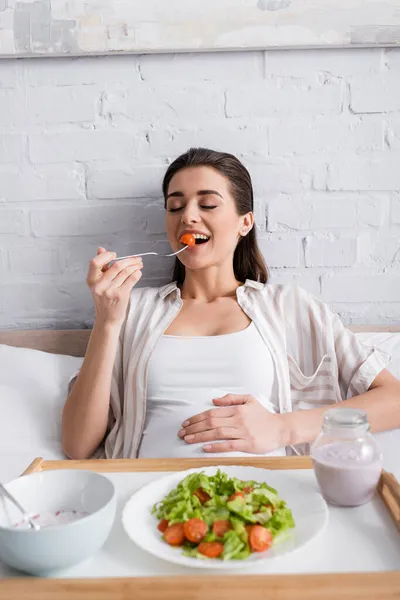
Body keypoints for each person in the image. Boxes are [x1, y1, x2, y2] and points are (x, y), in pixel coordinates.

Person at [62, 147, 400, 461]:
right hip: (154, 499)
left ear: (245, 222)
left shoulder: (289, 306)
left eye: (207, 204)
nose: (188, 217)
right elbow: (78, 446)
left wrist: (283, 428)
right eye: (175, 206)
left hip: (262, 501)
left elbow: (394, 400)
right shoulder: (132, 309)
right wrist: (107, 322)